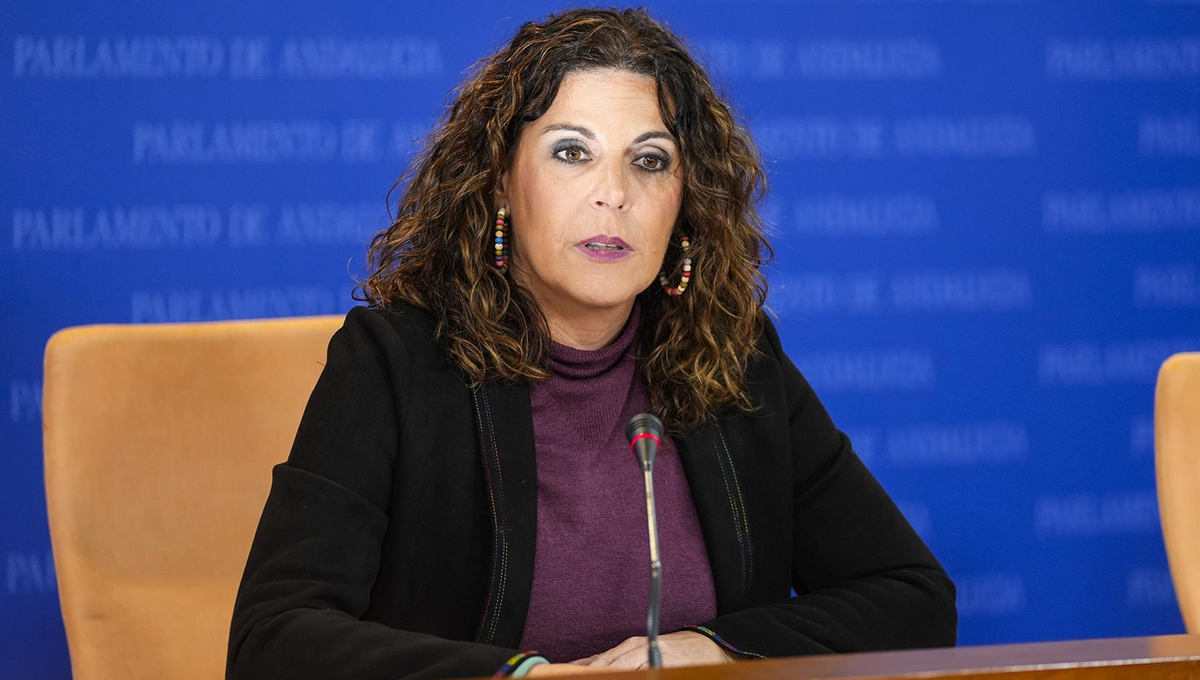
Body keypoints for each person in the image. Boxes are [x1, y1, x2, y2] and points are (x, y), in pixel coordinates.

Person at [225, 7, 957, 680]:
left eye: (650, 160)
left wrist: (714, 648)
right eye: (572, 152)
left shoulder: (736, 362)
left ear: (686, 201)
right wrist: (523, 678)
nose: (615, 193)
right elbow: (273, 637)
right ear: (501, 183)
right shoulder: (395, 363)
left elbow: (913, 597)